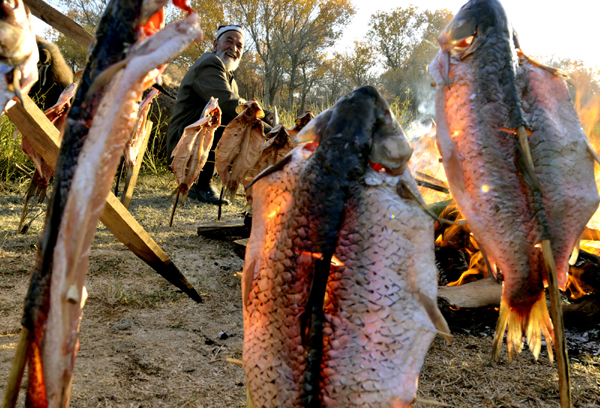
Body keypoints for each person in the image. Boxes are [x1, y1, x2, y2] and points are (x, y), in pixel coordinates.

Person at [166, 25, 271, 205]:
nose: (234, 48)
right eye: (228, 42)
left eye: (239, 46)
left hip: (195, 142)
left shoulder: (229, 78)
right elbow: (229, 105)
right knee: (230, 121)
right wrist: (272, 131)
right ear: (216, 44)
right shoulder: (210, 64)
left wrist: (266, 116)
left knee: (239, 126)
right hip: (183, 143)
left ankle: (207, 182)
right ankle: (201, 185)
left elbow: (237, 101)